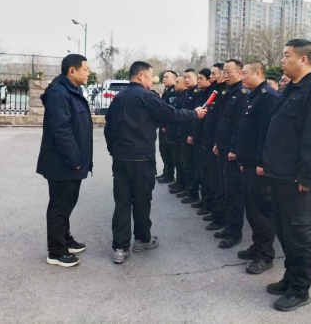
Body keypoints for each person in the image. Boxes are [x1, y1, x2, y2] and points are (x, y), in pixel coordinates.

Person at [104, 61, 207, 264]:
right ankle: (142, 239)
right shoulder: (147, 97)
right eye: (151, 76)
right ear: (141, 76)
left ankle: (120, 248)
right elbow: (171, 114)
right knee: (142, 200)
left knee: (122, 202)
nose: (153, 81)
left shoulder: (119, 97)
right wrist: (195, 114)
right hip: (142, 159)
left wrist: (113, 150)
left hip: (121, 159)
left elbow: (109, 128)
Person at [263, 39, 311, 312]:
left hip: (299, 181)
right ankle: (290, 278)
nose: (282, 60)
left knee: (301, 235)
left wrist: (308, 178)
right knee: (285, 232)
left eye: (287, 55)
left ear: (303, 60)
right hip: (281, 175)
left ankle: (300, 290)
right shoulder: (291, 89)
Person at [37, 54, 93, 268]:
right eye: (85, 69)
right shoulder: (59, 93)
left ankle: (65, 239)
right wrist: (75, 160)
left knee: (67, 203)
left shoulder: (71, 90)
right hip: (63, 163)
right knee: (59, 206)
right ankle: (56, 251)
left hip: (71, 162)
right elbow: (62, 131)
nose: (88, 73)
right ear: (72, 71)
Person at [236, 61, 279, 274]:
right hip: (249, 162)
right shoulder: (253, 95)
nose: (242, 77)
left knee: (262, 211)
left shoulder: (268, 96)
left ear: (258, 73)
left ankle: (265, 255)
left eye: (245, 73)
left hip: (260, 166)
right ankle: (257, 245)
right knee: (252, 210)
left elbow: (267, 134)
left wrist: (263, 162)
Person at [213, 59, 247, 248]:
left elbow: (239, 126)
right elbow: (222, 121)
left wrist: (234, 149)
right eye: (224, 72)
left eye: (229, 72)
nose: (225, 76)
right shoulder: (227, 92)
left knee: (234, 192)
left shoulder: (242, 93)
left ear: (239, 73)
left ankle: (235, 232)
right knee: (224, 189)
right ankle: (228, 226)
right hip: (223, 147)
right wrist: (218, 143)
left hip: (233, 152)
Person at [202, 63, 228, 229]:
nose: (210, 77)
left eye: (213, 74)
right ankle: (213, 211)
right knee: (210, 178)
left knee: (218, 183)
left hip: (218, 144)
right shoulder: (215, 91)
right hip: (209, 141)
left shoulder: (225, 92)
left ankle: (220, 218)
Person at [187, 68, 212, 207]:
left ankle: (207, 201)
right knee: (199, 170)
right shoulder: (200, 94)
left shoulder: (211, 96)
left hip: (205, 139)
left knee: (206, 172)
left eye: (201, 78)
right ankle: (203, 199)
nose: (198, 81)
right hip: (198, 138)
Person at [176, 69, 200, 203]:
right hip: (183, 132)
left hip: (190, 134)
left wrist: (191, 134)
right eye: (184, 77)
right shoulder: (187, 92)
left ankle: (193, 192)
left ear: (196, 78)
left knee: (190, 164)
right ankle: (187, 188)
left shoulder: (197, 93)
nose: (186, 80)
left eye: (189, 77)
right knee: (184, 162)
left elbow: (196, 116)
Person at [166, 76, 187, 194]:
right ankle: (179, 181)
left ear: (184, 84)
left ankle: (182, 183)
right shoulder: (177, 96)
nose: (175, 85)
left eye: (177, 82)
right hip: (173, 132)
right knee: (176, 159)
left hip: (179, 133)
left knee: (181, 161)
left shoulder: (185, 96)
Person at [157, 70, 177, 183]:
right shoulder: (167, 91)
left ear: (174, 79)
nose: (164, 79)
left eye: (167, 77)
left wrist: (165, 125)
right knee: (163, 150)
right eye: (163, 77)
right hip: (163, 125)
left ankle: (169, 174)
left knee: (168, 152)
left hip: (167, 126)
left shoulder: (174, 92)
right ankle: (166, 172)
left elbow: (170, 111)